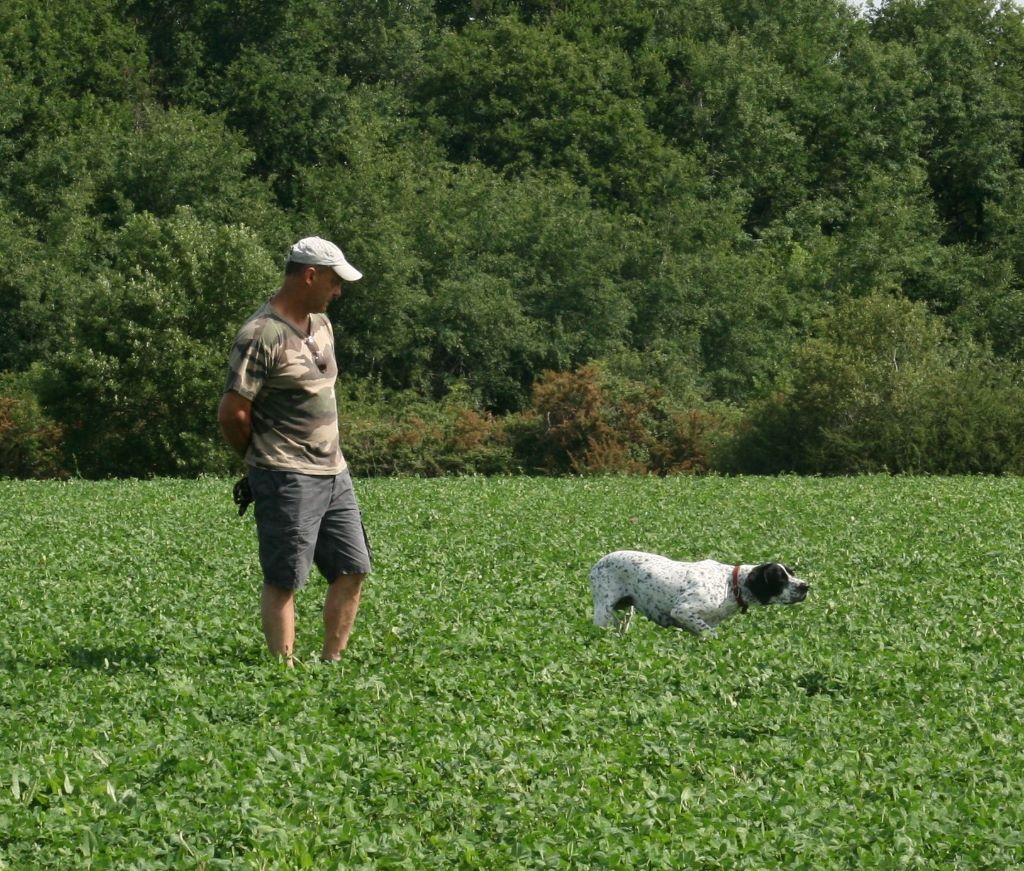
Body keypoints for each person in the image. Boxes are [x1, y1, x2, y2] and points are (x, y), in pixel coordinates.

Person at [218, 236, 372, 665]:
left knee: (352, 567)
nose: (338, 291)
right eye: (334, 281)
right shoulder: (260, 335)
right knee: (285, 577)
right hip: (286, 474)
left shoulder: (321, 325)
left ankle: (331, 663)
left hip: (334, 472)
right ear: (310, 275)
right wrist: (260, 460)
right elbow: (233, 413)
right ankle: (283, 672)